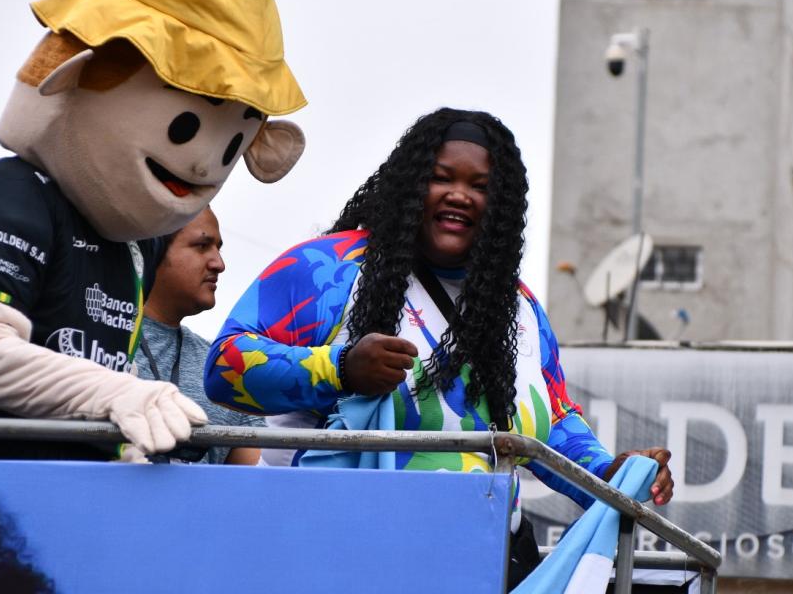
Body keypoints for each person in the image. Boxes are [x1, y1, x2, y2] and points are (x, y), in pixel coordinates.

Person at [204, 107, 673, 587]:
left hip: (483, 562)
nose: (459, 196)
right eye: (441, 178)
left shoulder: (521, 308)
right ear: (410, 185)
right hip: (329, 556)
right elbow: (223, 367)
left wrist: (608, 472)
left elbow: (549, 422)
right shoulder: (326, 268)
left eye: (481, 187)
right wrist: (339, 369)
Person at [0, 0, 307, 461]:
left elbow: (101, 363)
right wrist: (119, 395)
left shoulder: (130, 240)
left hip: (84, 492)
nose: (202, 164)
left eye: (228, 147)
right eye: (183, 125)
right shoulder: (15, 195)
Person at [137, 207, 261, 465]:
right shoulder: (95, 341)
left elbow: (254, 484)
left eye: (218, 248)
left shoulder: (226, 367)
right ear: (153, 249)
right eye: (202, 245)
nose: (219, 264)